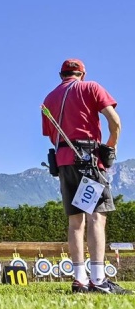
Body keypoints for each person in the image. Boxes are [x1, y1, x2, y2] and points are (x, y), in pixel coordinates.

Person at [42, 58, 130, 294]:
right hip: (88, 162)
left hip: (63, 162)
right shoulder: (90, 87)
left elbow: (51, 136)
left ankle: (80, 280)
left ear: (61, 74)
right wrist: (110, 147)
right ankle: (99, 279)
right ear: (83, 73)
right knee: (97, 218)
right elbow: (115, 121)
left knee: (75, 221)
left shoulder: (48, 99)